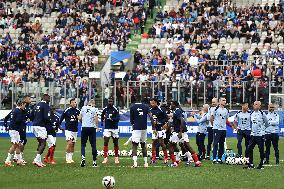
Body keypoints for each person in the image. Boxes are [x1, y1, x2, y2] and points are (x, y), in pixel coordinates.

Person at [169, 101, 201, 167]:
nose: (170, 106)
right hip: (184, 131)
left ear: (174, 105)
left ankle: (174, 163)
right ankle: (197, 161)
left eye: (171, 104)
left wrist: (180, 132)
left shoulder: (177, 111)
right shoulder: (181, 110)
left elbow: (182, 121)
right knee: (187, 146)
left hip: (178, 131)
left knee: (170, 145)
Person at [244, 101, 269, 169]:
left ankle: (261, 164)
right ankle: (250, 164)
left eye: (256, 104)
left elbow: (267, 124)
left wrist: (262, 130)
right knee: (249, 149)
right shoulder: (251, 113)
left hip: (260, 135)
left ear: (259, 106)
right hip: (253, 135)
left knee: (261, 150)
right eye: (254, 104)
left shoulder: (262, 113)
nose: (254, 105)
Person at [130, 96, 152, 168]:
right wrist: (154, 126)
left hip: (136, 127)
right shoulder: (146, 106)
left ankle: (135, 163)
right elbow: (150, 116)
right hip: (144, 127)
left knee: (134, 145)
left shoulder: (132, 107)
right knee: (143, 145)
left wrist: (133, 124)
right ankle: (146, 163)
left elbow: (131, 119)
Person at [4, 100, 26, 166]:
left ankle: (19, 160)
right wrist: (24, 121)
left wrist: (6, 126)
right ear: (21, 104)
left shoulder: (13, 110)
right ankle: (7, 161)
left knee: (18, 145)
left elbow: (6, 118)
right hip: (14, 130)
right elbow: (18, 120)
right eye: (24, 105)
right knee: (14, 145)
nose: (24, 106)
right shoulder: (19, 111)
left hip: (14, 130)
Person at [32, 94, 51, 167]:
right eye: (48, 98)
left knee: (40, 143)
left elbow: (31, 115)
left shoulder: (37, 105)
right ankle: (36, 160)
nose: (49, 99)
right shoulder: (45, 105)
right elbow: (46, 117)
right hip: (41, 126)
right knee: (43, 143)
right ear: (45, 98)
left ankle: (38, 160)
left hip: (34, 125)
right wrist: (49, 123)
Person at [210, 98, 232, 164]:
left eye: (225, 100)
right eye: (223, 100)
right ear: (219, 102)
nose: (224, 101)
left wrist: (231, 126)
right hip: (217, 129)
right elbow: (211, 118)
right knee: (216, 143)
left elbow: (226, 119)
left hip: (223, 129)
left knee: (222, 144)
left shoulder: (226, 110)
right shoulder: (215, 109)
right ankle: (214, 158)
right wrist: (214, 126)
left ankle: (219, 158)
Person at [79, 99, 99, 168]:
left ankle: (83, 159)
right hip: (92, 128)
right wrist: (97, 126)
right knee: (93, 145)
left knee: (83, 144)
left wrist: (83, 122)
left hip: (84, 128)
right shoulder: (95, 109)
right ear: (93, 104)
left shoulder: (83, 108)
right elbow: (96, 118)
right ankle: (94, 162)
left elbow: (79, 117)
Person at [60, 98, 80, 164]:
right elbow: (61, 118)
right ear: (70, 103)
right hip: (68, 129)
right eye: (74, 102)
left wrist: (80, 118)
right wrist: (59, 126)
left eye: (75, 102)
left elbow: (81, 120)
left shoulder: (78, 111)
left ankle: (71, 158)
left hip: (75, 130)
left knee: (73, 144)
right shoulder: (66, 110)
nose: (75, 103)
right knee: (70, 143)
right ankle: (67, 158)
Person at [101, 98, 120, 164]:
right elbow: (102, 115)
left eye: (111, 101)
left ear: (113, 102)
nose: (110, 102)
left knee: (116, 143)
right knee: (106, 141)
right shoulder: (105, 109)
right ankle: (105, 158)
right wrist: (102, 122)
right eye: (109, 101)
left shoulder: (116, 109)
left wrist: (112, 119)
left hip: (114, 128)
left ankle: (116, 158)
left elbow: (118, 118)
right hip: (107, 128)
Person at [149, 98, 168, 164]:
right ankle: (153, 158)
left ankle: (166, 157)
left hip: (161, 129)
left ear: (156, 103)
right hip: (155, 129)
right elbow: (152, 121)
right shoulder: (150, 110)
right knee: (153, 142)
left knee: (162, 143)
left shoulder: (161, 109)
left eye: (153, 103)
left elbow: (166, 118)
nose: (151, 104)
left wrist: (160, 122)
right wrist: (153, 129)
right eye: (151, 103)